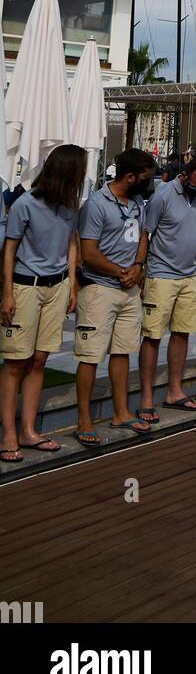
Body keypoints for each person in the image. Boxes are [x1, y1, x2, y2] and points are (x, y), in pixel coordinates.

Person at [1, 144, 87, 463]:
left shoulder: (70, 206)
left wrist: (73, 283)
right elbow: (9, 250)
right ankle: (8, 433)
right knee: (15, 363)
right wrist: (7, 293)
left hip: (57, 286)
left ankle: (28, 430)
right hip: (26, 287)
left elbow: (71, 244)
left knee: (39, 360)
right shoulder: (25, 204)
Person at [74, 148, 157, 446]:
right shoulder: (97, 204)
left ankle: (120, 412)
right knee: (90, 355)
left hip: (129, 289)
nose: (148, 183)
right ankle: (83, 419)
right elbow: (89, 251)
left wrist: (137, 267)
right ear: (130, 176)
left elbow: (143, 236)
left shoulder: (136, 202)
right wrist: (120, 270)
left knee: (122, 351)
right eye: (145, 178)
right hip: (99, 289)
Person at [137, 155, 196, 419]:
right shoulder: (164, 196)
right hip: (161, 275)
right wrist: (141, 268)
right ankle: (146, 397)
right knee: (152, 336)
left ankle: (174, 391)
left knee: (182, 333)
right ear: (186, 175)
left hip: (190, 274)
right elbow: (146, 232)